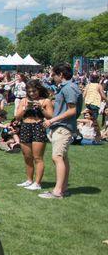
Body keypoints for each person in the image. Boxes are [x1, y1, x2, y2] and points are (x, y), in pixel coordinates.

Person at [41, 64, 82, 199]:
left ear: (61, 75)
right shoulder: (66, 88)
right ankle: (63, 189)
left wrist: (52, 121)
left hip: (63, 127)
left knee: (57, 157)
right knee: (62, 158)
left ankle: (58, 191)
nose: (52, 77)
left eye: (53, 75)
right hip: (62, 126)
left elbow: (72, 110)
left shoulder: (69, 88)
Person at [14, 79, 53, 190]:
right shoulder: (24, 101)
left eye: (34, 91)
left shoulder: (46, 101)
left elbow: (50, 116)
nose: (32, 93)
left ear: (39, 90)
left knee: (37, 157)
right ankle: (29, 180)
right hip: (25, 126)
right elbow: (17, 117)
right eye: (29, 91)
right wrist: (25, 109)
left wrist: (41, 108)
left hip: (38, 127)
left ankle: (37, 183)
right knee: (27, 157)